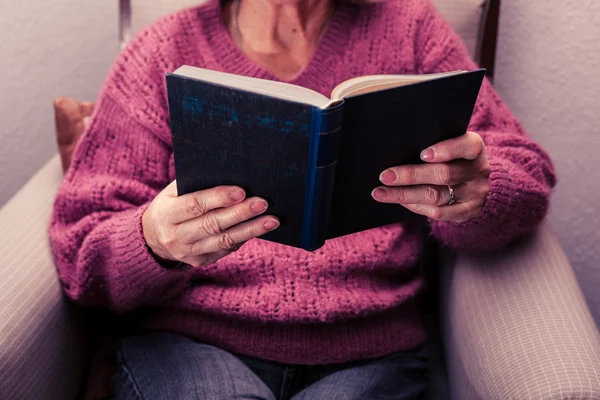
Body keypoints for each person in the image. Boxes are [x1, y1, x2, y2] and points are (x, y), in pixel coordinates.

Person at [49, 0, 556, 398]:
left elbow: (527, 176)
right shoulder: (161, 49)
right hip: (191, 343)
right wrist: (152, 240)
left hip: (368, 354)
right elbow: (81, 252)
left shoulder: (411, 28)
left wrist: (479, 191)